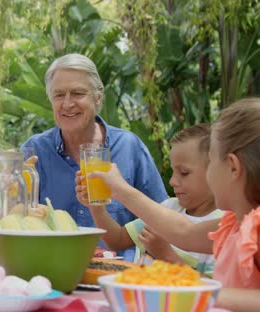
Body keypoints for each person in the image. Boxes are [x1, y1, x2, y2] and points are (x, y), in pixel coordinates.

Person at [77, 98, 260, 311]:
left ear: (233, 167)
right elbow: (184, 231)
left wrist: (196, 290)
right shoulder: (234, 224)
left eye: (212, 162)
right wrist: (120, 191)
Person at [21, 53, 168, 258]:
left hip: (117, 274)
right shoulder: (34, 151)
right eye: (59, 95)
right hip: (50, 269)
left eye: (78, 93)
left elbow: (163, 216)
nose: (67, 103)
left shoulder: (128, 147)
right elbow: (13, 220)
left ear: (98, 98)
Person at [78, 124, 222, 274]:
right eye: (173, 171)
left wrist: (166, 255)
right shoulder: (168, 208)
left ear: (215, 172)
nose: (172, 181)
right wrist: (96, 208)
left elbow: (213, 289)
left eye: (184, 173)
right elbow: (117, 240)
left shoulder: (225, 226)